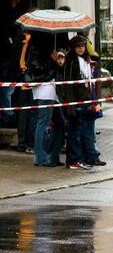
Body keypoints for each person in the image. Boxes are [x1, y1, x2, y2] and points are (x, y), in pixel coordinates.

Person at [59, 36, 101, 170]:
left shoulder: (86, 61)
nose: (81, 48)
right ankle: (73, 160)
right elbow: (67, 85)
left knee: (82, 131)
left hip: (85, 100)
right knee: (74, 132)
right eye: (78, 46)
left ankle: (82, 158)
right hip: (75, 102)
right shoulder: (70, 61)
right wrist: (70, 104)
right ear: (73, 48)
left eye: (83, 46)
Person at [28, 33, 65, 167]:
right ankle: (40, 157)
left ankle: (52, 156)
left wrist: (56, 61)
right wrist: (52, 60)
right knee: (43, 122)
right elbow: (37, 69)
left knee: (59, 122)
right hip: (44, 90)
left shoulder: (48, 48)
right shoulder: (36, 49)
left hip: (52, 89)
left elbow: (54, 69)